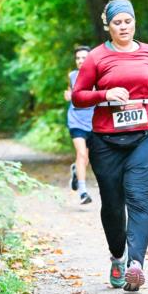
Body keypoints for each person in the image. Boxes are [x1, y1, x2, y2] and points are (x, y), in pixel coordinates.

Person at [71, 0, 148, 292]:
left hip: (146, 136)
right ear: (109, 26)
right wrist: (104, 94)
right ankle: (118, 256)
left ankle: (136, 264)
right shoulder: (97, 58)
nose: (123, 26)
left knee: (139, 199)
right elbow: (78, 95)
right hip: (106, 141)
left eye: (128, 21)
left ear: (134, 22)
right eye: (117, 22)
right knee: (114, 206)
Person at [64, 45, 93, 206]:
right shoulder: (72, 75)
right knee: (81, 154)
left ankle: (76, 171)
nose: (81, 61)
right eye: (78, 58)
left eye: (84, 57)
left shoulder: (98, 75)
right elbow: (69, 92)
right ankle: (83, 192)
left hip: (93, 122)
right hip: (76, 121)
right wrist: (68, 96)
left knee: (85, 159)